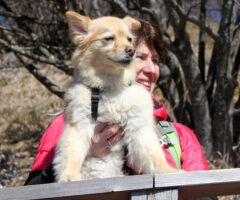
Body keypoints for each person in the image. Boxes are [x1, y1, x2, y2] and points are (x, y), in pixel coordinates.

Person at [25, 20, 216, 199]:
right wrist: (84, 153)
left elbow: (207, 196)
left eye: (156, 60)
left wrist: (148, 172)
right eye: (139, 57)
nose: (151, 69)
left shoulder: (179, 135)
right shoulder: (68, 121)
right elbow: (30, 193)